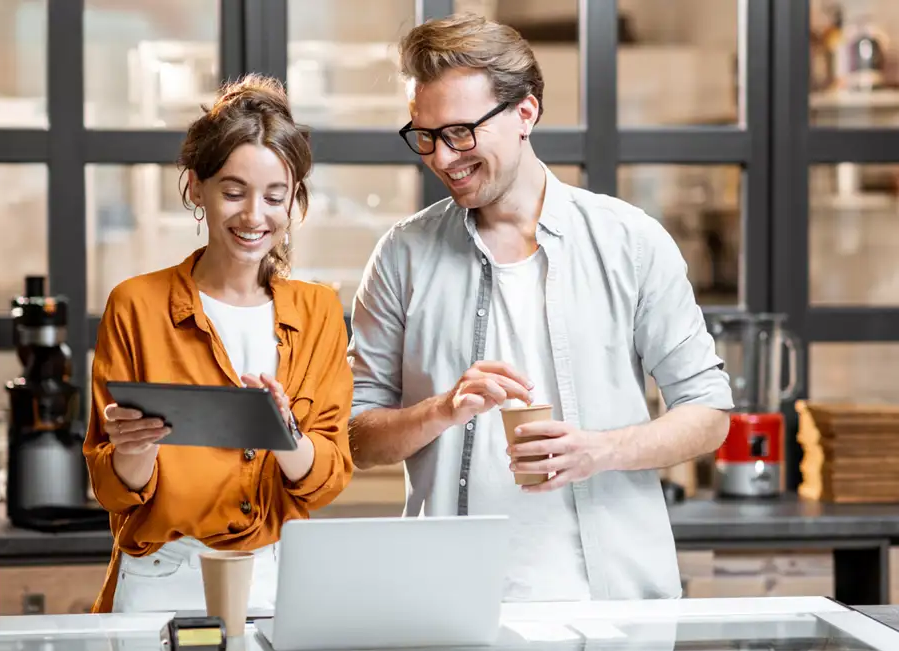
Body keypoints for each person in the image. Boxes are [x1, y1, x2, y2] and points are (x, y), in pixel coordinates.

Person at [347, 13, 733, 602]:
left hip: (614, 608)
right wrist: (440, 411)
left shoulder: (629, 240)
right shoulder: (403, 255)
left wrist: (599, 450)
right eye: (424, 135)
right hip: (449, 605)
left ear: (525, 113)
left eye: (460, 132)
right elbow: (355, 435)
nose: (442, 158)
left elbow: (708, 412)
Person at [83, 74, 354, 614]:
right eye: (233, 192)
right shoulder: (136, 305)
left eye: (275, 197)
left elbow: (324, 482)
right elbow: (112, 490)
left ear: (294, 200)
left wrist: (284, 434)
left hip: (277, 580)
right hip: (163, 576)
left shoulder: (319, 310)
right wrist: (136, 450)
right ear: (195, 189)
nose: (254, 216)